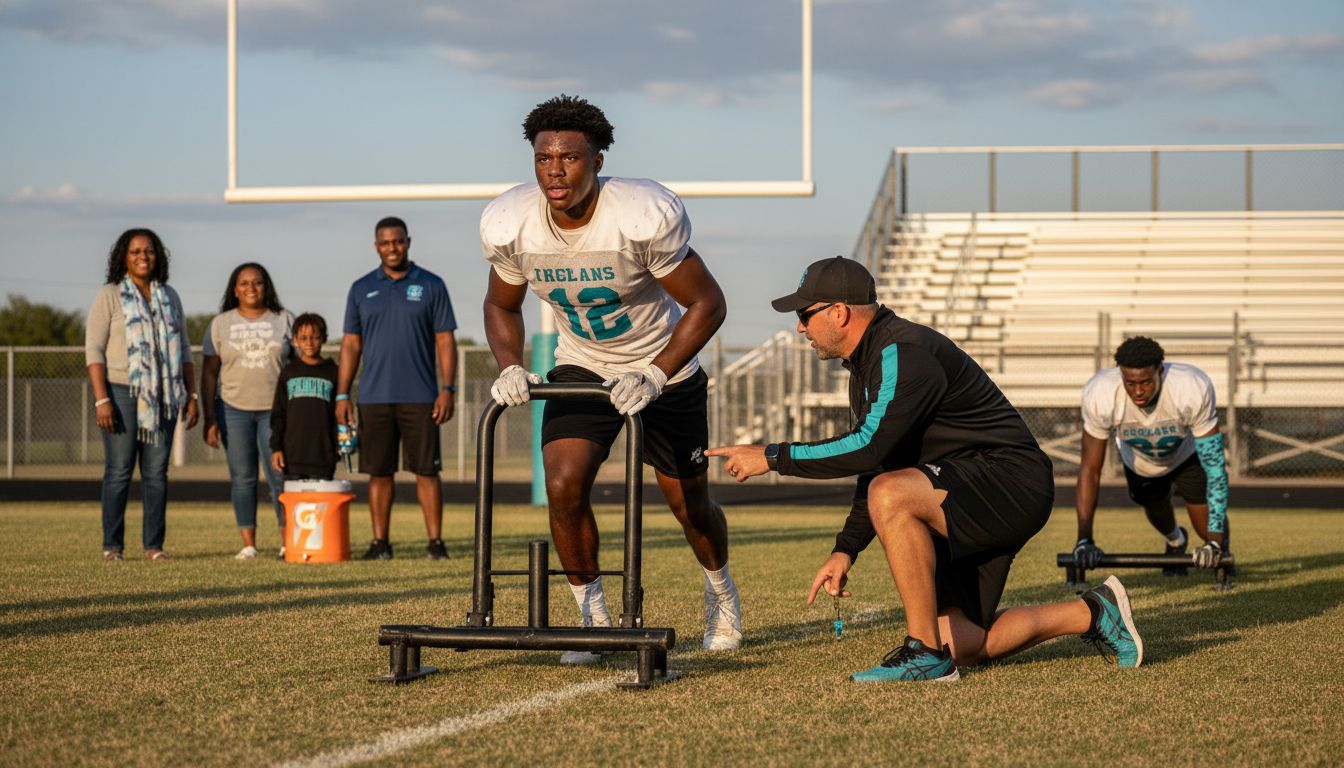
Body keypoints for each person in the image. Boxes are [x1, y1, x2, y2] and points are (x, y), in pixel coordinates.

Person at [707, 256, 1143, 682]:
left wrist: (772, 456)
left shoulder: (901, 352)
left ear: (839, 312)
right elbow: (881, 459)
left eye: (805, 315)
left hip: (1009, 482)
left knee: (891, 494)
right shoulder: (869, 361)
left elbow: (868, 450)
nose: (800, 327)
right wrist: (846, 548)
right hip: (967, 487)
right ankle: (1093, 612)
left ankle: (924, 653)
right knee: (962, 642)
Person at [481, 94, 741, 661]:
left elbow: (708, 303)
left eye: (569, 157)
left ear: (597, 161)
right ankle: (591, 615)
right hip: (584, 363)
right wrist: (510, 364)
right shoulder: (513, 223)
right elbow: (501, 305)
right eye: (544, 157)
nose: (554, 170)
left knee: (689, 505)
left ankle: (721, 594)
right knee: (562, 483)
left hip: (662, 365)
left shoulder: (638, 214)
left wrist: (654, 373)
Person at [337, 216, 457, 561]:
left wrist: (447, 388)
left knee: (427, 471)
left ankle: (435, 544)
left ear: (408, 242)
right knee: (379, 473)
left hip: (421, 396)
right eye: (386, 243)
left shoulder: (432, 284)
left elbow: (445, 340)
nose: (393, 248)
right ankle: (380, 544)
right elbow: (350, 345)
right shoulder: (361, 288)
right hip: (374, 397)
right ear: (376, 247)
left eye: (398, 241)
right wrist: (343, 395)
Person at [85, 228, 199, 561]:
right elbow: (94, 350)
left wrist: (191, 395)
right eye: (135, 251)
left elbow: (185, 350)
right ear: (124, 257)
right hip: (120, 390)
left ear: (158, 256)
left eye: (148, 251)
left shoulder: (170, 296)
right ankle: (113, 547)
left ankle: (154, 546)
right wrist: (102, 399)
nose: (143, 257)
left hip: (164, 394)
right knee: (119, 470)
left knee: (156, 473)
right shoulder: (109, 295)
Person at [1072, 336, 1231, 574]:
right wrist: (1084, 539)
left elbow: (1215, 469)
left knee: (1208, 530)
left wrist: (1215, 542)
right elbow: (1090, 470)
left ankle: (1223, 552)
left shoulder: (1190, 386)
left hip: (1185, 456)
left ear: (1160, 371)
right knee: (1155, 508)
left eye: (1146, 382)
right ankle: (1176, 541)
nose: (1138, 391)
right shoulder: (1101, 392)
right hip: (1140, 463)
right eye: (1130, 383)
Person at [201, 263, 294, 560]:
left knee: (279, 477)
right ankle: (249, 544)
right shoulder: (220, 324)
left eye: (257, 282)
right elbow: (209, 373)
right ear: (235, 289)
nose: (251, 288)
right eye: (244, 283)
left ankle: (287, 541)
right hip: (233, 409)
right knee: (243, 478)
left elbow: (296, 365)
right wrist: (210, 417)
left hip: (275, 412)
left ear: (267, 286)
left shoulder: (284, 319)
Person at [271, 313, 339, 482]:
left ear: (324, 338)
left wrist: (338, 446)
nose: (309, 343)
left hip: (323, 457)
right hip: (292, 457)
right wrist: (276, 447)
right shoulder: (289, 372)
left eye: (315, 337)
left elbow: (337, 415)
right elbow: (279, 414)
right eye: (303, 338)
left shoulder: (333, 372)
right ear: (295, 340)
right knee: (294, 499)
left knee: (321, 500)